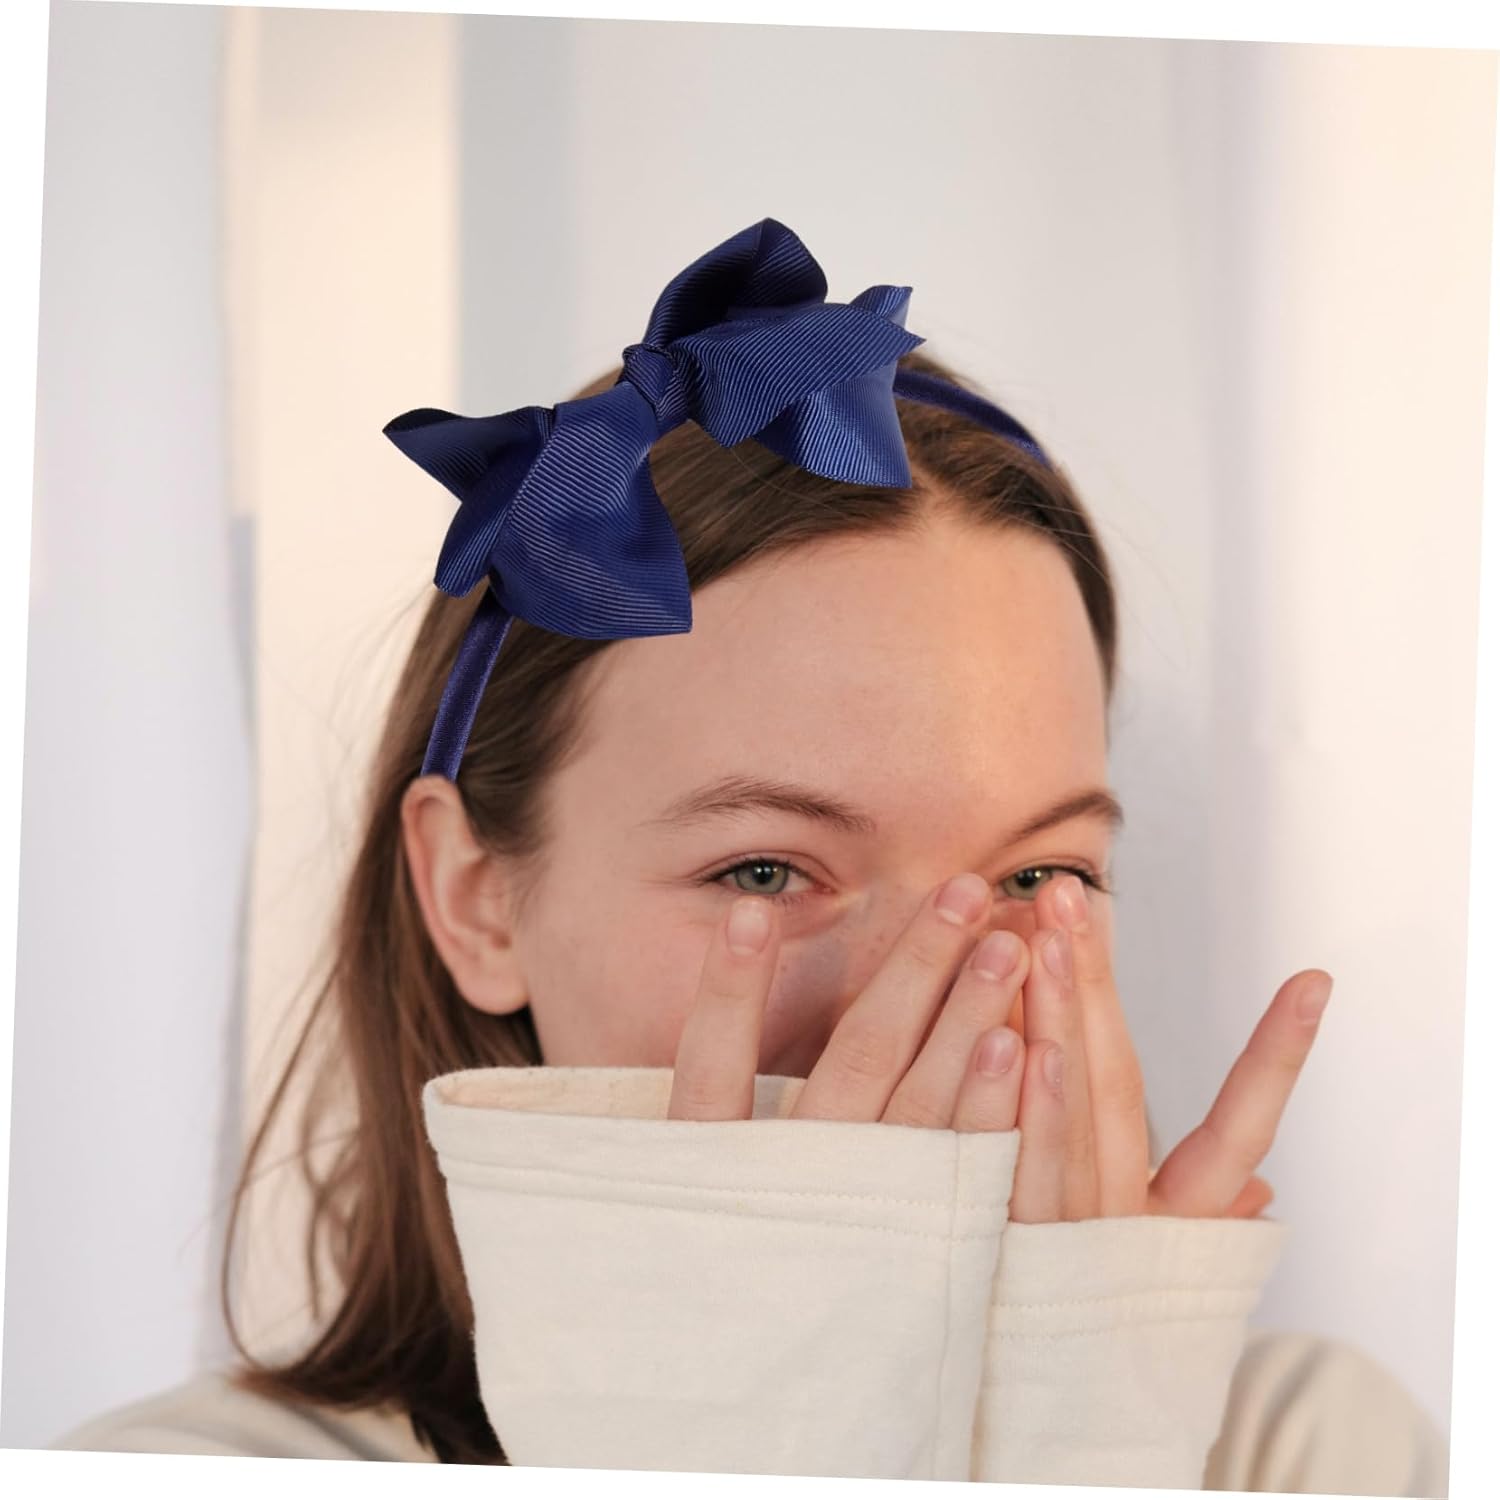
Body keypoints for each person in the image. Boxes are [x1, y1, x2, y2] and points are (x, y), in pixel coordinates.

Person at [57, 220, 1448, 1494]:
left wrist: (1084, 1442)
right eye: (767, 872)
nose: (927, 1007)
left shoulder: (1301, 1450)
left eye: (1039, 876)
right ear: (476, 899)